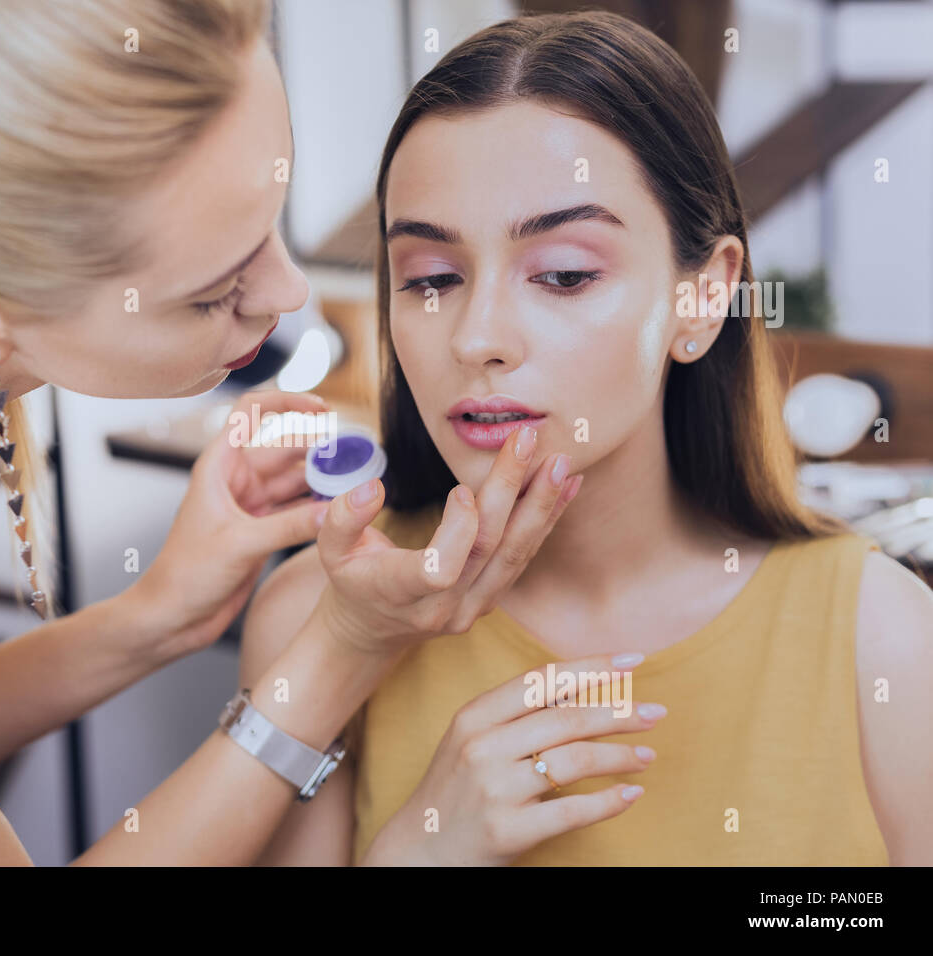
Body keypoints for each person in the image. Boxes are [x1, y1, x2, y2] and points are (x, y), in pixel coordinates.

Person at [0, 0, 575, 865]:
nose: (287, 296)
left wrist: (155, 617)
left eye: (270, 221)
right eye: (213, 291)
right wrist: (343, 652)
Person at [240, 11, 933, 866]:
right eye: (431, 278)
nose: (477, 337)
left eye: (565, 274)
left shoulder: (884, 637)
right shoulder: (318, 618)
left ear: (702, 298)